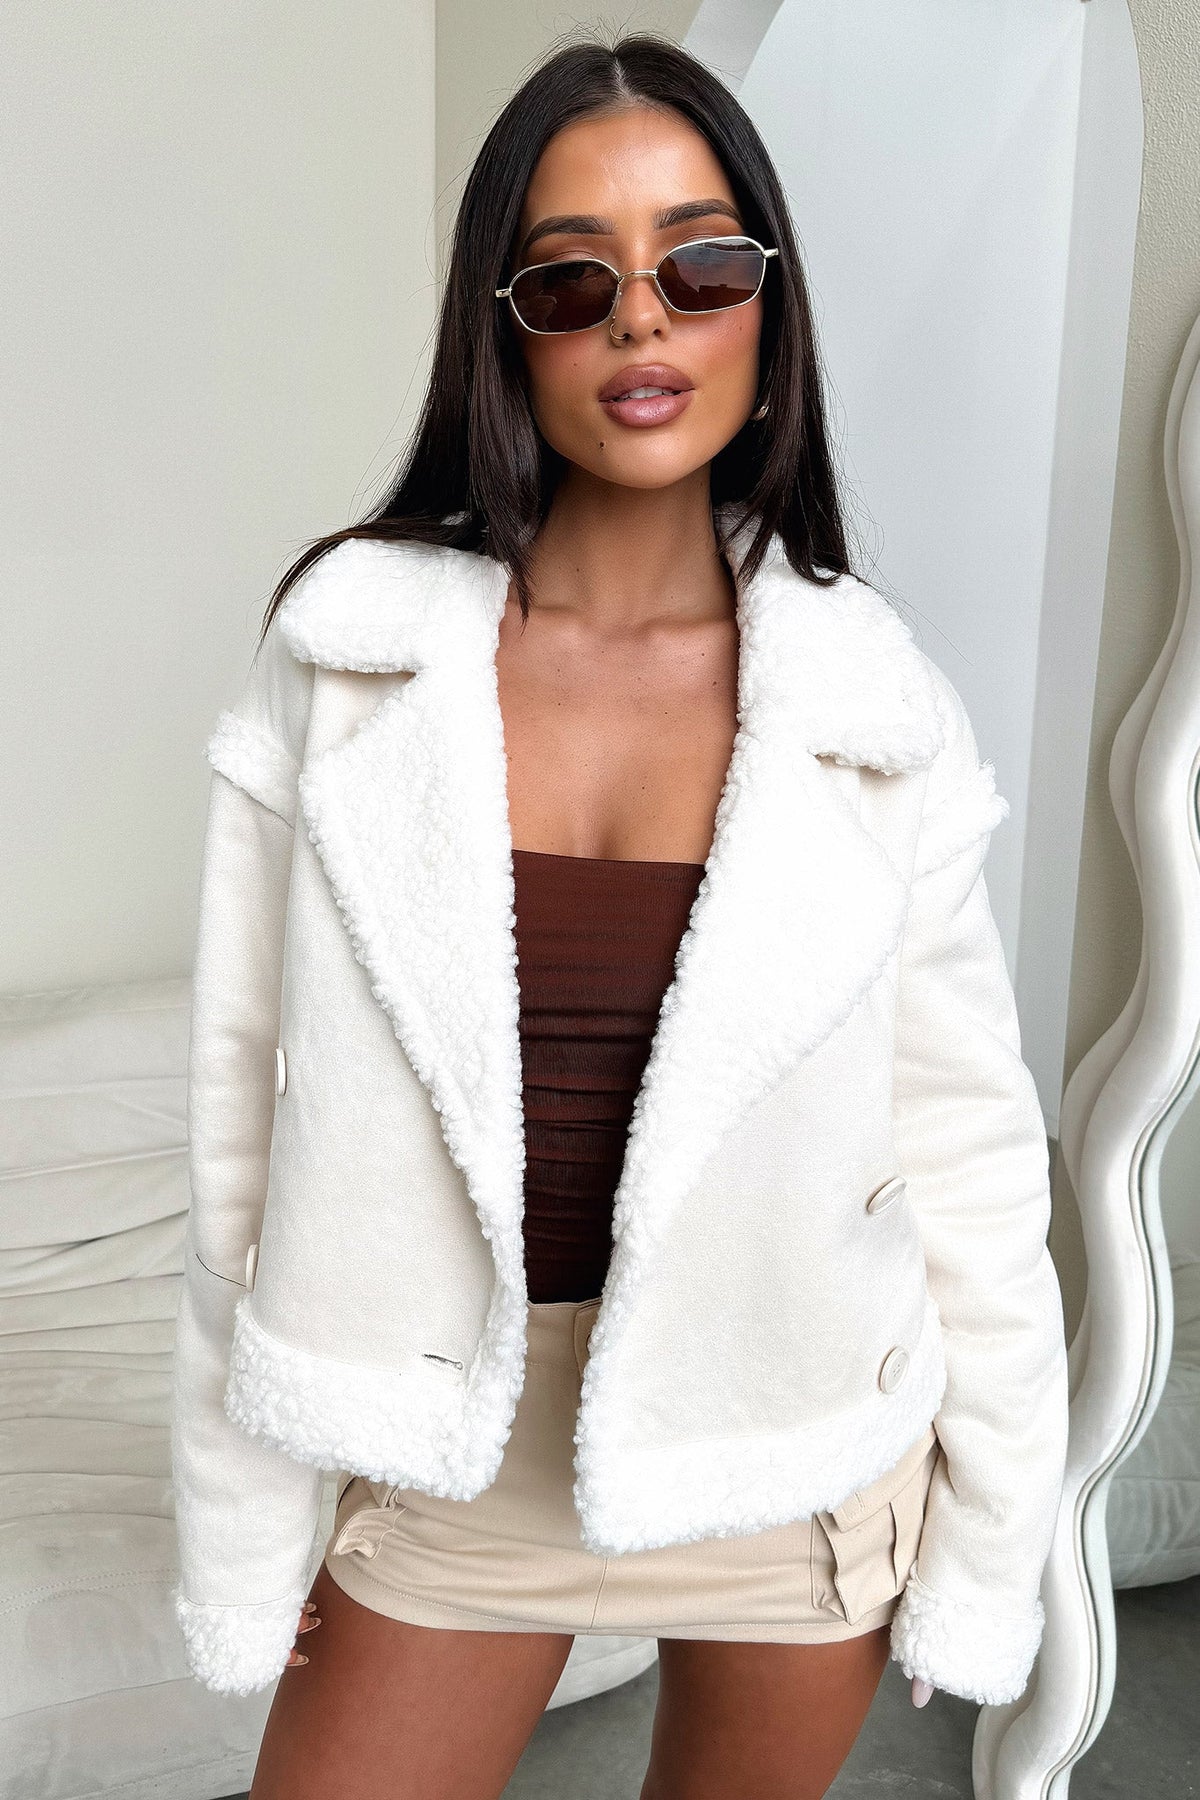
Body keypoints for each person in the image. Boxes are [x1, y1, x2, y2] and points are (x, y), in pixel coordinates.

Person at [170, 31, 1070, 1800]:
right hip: (459, 1459)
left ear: (766, 309)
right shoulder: (348, 661)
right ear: (507, 328)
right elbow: (237, 1129)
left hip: (794, 1465)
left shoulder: (876, 707)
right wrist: (246, 1519)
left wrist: (990, 1548)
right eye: (575, 280)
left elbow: (968, 1156)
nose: (641, 320)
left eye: (701, 266)